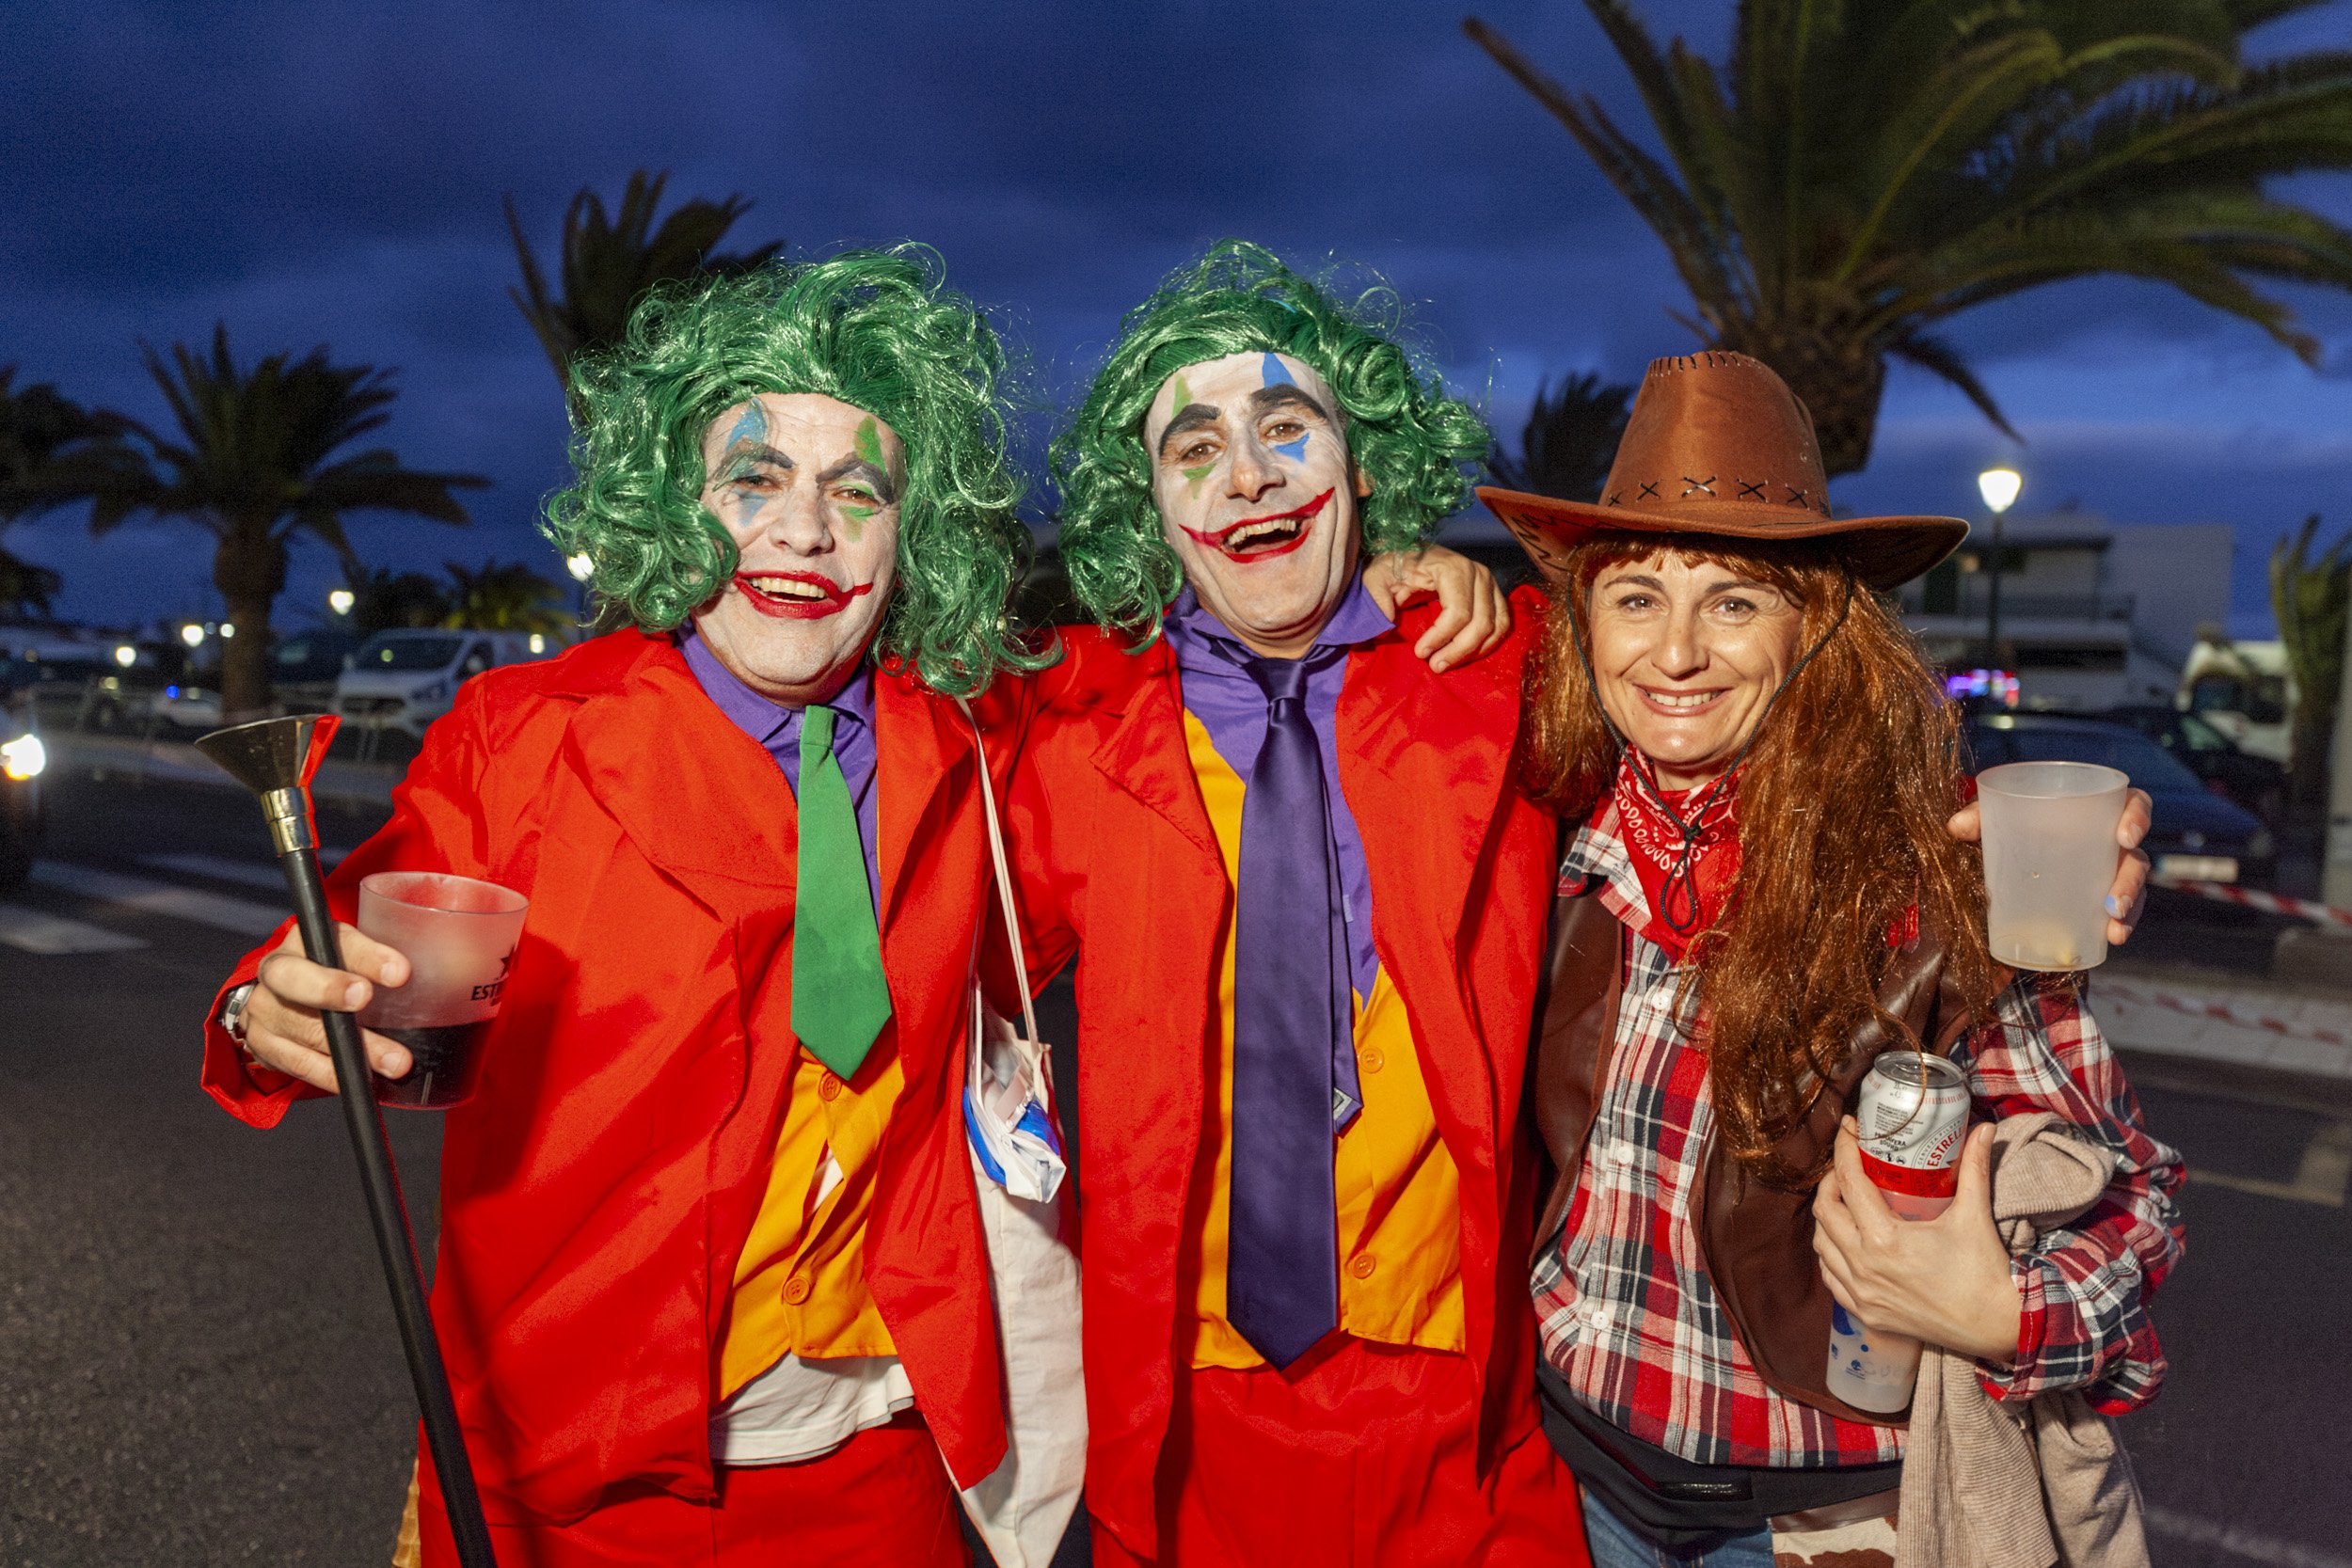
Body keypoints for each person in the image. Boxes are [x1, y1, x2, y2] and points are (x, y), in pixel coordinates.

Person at [200, 249, 1054, 1568]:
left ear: (912, 529)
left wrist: (1418, 579)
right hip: (574, 1476)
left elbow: (1210, 698)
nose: (806, 530)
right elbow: (381, 909)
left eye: (858, 490)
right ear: (676, 502)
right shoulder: (526, 740)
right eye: (755, 480)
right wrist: (270, 1005)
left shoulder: (985, 747)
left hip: (878, 1466)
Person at [1483, 351, 2184, 1566]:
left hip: (1811, 1525)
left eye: (1737, 599)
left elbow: (2137, 1207)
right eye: (1639, 595)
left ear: (1814, 628)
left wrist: (2008, 1314)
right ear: (1584, 619)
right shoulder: (1549, 847)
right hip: (1574, 1486)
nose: (1679, 652)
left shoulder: (1928, 887)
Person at [1008, 241, 1583, 1568]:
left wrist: (1976, 839)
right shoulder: (1062, 734)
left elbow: (1733, 719)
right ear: (1147, 505)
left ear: (1362, 462)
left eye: (1285, 427)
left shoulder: (1511, 681)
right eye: (1192, 446)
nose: (1249, 474)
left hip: (1466, 1416)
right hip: (1190, 1419)